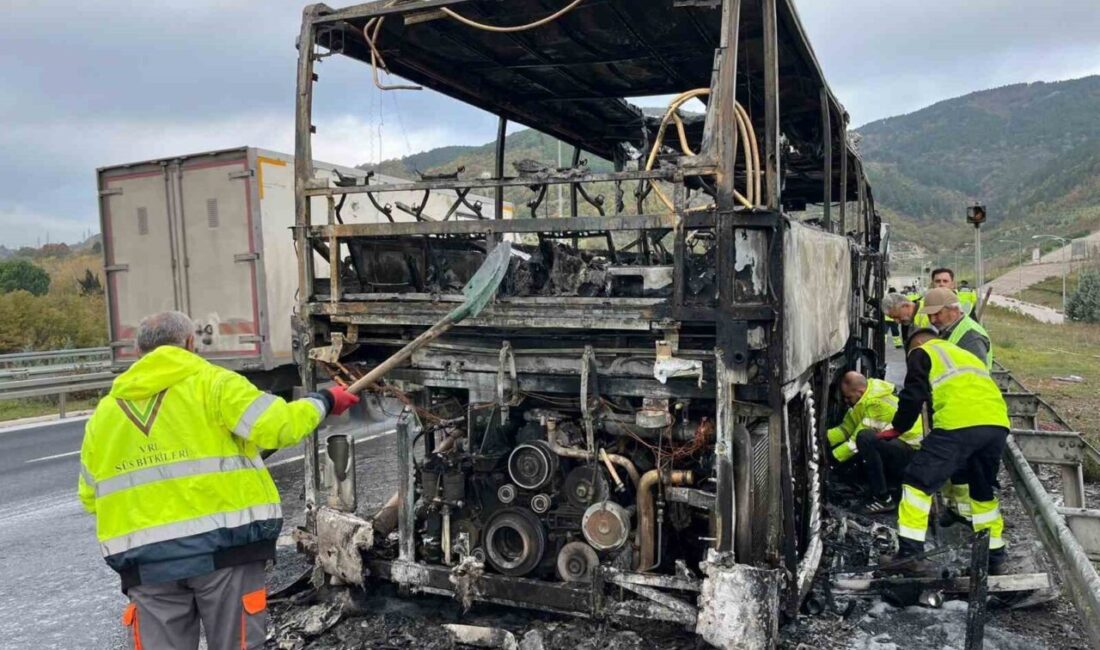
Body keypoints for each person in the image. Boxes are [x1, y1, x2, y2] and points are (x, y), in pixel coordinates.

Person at [78, 311, 359, 650]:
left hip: (146, 567)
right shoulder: (214, 385)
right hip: (225, 554)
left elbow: (90, 497)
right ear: (189, 343)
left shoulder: (105, 415)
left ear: (139, 353)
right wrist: (326, 400)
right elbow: (278, 425)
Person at [877, 329, 1011, 575]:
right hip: (996, 425)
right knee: (981, 492)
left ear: (915, 345)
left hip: (958, 424)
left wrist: (898, 428)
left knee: (917, 481)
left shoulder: (922, 351)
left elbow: (912, 396)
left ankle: (910, 554)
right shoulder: (965, 355)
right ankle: (993, 558)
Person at [826, 371, 923, 513]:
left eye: (848, 397)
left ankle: (882, 498)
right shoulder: (862, 400)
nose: (846, 401)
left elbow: (854, 445)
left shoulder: (876, 404)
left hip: (914, 454)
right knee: (866, 440)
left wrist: (830, 460)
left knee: (865, 439)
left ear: (859, 391)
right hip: (900, 446)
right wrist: (821, 439)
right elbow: (845, 429)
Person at [921, 287, 993, 369]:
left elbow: (977, 376)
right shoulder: (949, 329)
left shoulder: (971, 337)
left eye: (937, 314)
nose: (932, 320)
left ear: (954, 311)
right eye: (929, 315)